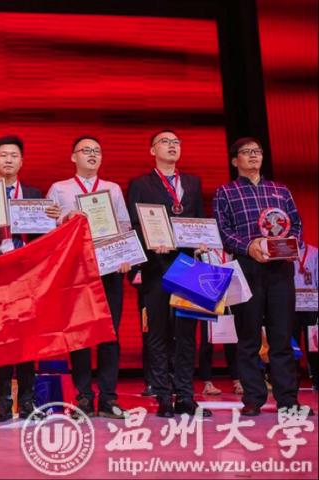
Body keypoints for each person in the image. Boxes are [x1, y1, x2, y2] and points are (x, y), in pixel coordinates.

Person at [0, 135, 61, 422]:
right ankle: (4, 402)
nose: (8, 159)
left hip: (27, 273)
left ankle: (28, 401)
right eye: (3, 155)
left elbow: (45, 236)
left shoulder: (33, 194)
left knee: (28, 337)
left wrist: (53, 218)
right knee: (1, 337)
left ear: (21, 161)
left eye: (14, 155)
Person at [214, 137, 312, 416]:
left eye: (257, 151)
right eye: (246, 152)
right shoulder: (225, 192)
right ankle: (253, 399)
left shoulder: (280, 190)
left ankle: (288, 400)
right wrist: (249, 247)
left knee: (282, 335)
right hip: (247, 267)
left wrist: (291, 245)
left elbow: (297, 224)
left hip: (280, 268)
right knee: (249, 338)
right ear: (235, 161)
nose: (253, 156)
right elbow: (223, 230)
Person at [127, 129, 211, 418]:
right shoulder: (140, 184)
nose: (172, 146)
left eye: (176, 142)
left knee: (187, 333)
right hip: (157, 265)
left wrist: (202, 240)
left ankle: (186, 395)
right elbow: (135, 224)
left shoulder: (193, 182)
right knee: (158, 333)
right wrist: (151, 243)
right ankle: (163, 394)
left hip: (188, 264)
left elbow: (198, 218)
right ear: (152, 150)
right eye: (165, 142)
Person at [46, 136, 129, 419]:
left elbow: (124, 224)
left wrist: (125, 255)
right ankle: (83, 396)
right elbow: (46, 227)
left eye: (97, 151)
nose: (92, 155)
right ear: (73, 157)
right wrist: (65, 219)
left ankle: (108, 398)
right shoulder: (59, 189)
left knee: (110, 333)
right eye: (86, 150)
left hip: (110, 267)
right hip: (75, 269)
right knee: (79, 334)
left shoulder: (112, 189)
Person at [196, 248, 242, 396]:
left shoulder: (230, 249)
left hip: (230, 294)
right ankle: (207, 383)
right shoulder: (203, 247)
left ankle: (237, 380)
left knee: (232, 339)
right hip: (209, 294)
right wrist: (197, 253)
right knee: (207, 340)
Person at [292, 243, 318, 391]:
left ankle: (316, 378)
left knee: (313, 344)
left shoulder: (314, 252)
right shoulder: (285, 250)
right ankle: (292, 379)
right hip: (291, 304)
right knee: (291, 343)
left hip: (311, 303)